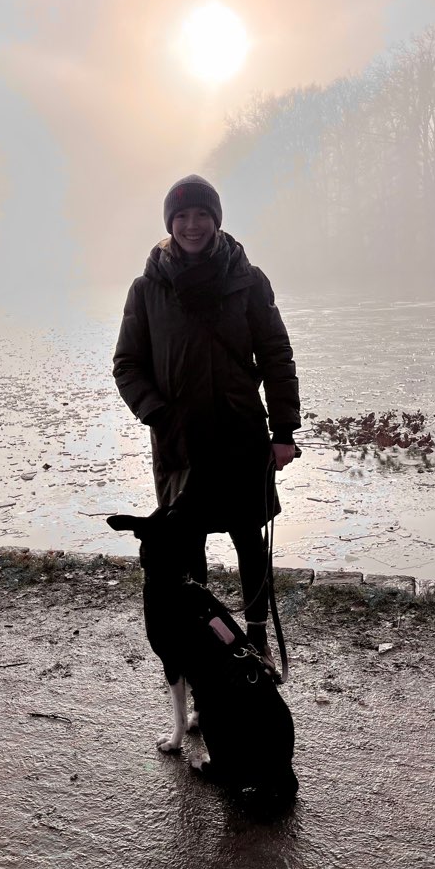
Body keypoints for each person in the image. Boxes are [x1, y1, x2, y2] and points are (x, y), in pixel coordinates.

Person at [112, 174, 300, 665]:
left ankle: (255, 639)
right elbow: (127, 365)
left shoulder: (248, 281)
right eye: (182, 217)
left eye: (201, 215)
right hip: (181, 443)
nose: (192, 225)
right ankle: (208, 644)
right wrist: (157, 414)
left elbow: (277, 356)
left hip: (240, 434)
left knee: (249, 538)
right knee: (187, 547)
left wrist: (283, 433)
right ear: (170, 224)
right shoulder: (147, 289)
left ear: (216, 220)